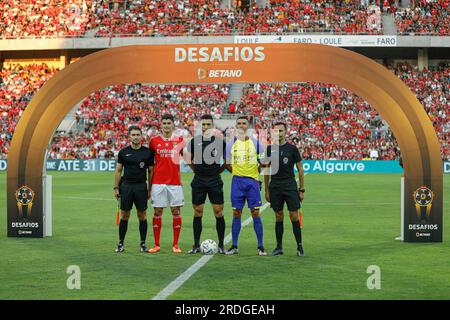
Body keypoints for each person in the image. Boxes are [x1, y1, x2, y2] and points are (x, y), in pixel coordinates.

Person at [224, 115, 267, 256]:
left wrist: (255, 175)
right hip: (237, 182)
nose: (241, 125)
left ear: (247, 126)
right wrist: (237, 172)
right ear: (236, 126)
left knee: (255, 212)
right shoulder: (231, 144)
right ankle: (235, 246)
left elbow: (264, 162)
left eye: (244, 123)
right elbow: (227, 163)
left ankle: (260, 247)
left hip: (252, 182)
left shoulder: (256, 143)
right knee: (236, 212)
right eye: (239, 123)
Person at [184, 114, 227, 254]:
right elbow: (188, 159)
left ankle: (221, 245)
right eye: (203, 124)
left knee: (218, 212)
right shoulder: (194, 142)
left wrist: (218, 171)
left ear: (213, 126)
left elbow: (227, 161)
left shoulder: (220, 142)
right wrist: (196, 170)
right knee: (197, 212)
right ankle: (196, 245)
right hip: (199, 180)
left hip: (214, 180)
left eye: (208, 124)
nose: (206, 127)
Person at [263, 122, 305, 257]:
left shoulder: (292, 149)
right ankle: (279, 247)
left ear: (285, 132)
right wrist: (267, 190)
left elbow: (300, 169)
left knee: (293, 215)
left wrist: (302, 189)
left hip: (289, 185)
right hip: (275, 186)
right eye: (276, 131)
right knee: (278, 215)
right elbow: (266, 169)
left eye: (281, 131)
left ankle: (299, 246)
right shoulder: (269, 149)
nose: (278, 133)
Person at [147, 114, 185, 254]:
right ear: (161, 125)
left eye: (169, 123)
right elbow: (150, 163)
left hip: (175, 182)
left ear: (173, 125)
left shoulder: (180, 140)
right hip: (158, 182)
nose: (167, 125)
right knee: (157, 211)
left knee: (176, 211)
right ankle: (156, 244)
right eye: (164, 123)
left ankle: (176, 244)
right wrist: (149, 186)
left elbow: (186, 156)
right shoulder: (154, 141)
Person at [114, 125, 154, 253]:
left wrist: (149, 189)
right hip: (126, 186)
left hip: (141, 186)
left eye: (138, 135)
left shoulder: (147, 152)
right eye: (133, 135)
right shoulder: (123, 152)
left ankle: (142, 244)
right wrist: (116, 188)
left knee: (142, 215)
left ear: (141, 136)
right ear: (129, 136)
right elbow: (118, 171)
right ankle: (121, 243)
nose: (136, 137)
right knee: (125, 215)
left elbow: (151, 172)